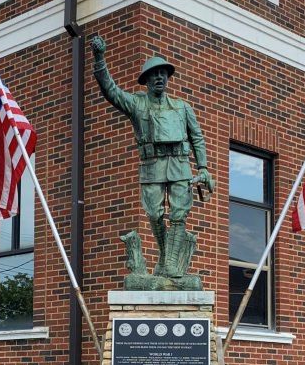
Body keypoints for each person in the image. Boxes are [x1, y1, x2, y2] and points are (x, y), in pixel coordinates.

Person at [90, 35, 213, 278]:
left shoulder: (182, 106)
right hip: (152, 165)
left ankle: (169, 264)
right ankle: (165, 255)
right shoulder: (136, 103)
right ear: (146, 80)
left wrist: (204, 167)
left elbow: (197, 137)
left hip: (179, 164)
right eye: (154, 74)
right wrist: (99, 58)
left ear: (168, 78)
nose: (159, 78)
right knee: (155, 214)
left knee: (179, 214)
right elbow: (110, 90)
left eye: (163, 74)